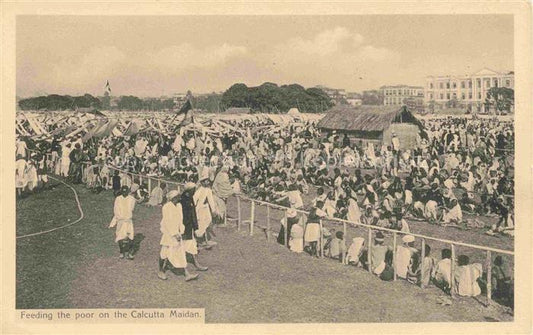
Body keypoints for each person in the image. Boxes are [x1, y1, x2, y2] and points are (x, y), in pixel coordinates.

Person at [158, 190, 199, 282]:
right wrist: (174, 233)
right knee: (164, 253)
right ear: (173, 198)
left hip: (178, 234)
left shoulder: (179, 206)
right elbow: (167, 222)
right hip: (169, 234)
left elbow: (180, 220)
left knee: (180, 253)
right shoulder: (166, 207)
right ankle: (161, 271)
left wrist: (181, 230)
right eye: (177, 197)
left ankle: (187, 274)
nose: (179, 199)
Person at [180, 182, 209, 271]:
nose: (195, 191)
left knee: (191, 247)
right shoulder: (182, 200)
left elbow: (193, 214)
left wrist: (195, 227)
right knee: (178, 248)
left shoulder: (190, 198)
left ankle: (196, 265)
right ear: (189, 190)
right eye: (193, 190)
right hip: (183, 228)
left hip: (189, 228)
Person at [109, 185, 136, 260]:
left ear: (128, 191)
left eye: (126, 192)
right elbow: (116, 210)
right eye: (123, 192)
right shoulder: (118, 199)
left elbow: (131, 209)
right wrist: (119, 217)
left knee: (130, 237)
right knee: (119, 237)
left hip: (128, 221)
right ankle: (121, 252)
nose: (124, 193)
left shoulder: (132, 199)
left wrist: (126, 217)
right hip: (120, 220)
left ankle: (129, 253)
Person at [194, 170, 219, 247]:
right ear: (202, 182)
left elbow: (211, 200)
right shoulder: (199, 190)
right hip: (199, 209)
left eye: (208, 181)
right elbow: (194, 199)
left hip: (206, 208)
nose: (208, 182)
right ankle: (199, 240)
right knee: (201, 223)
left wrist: (213, 210)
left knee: (208, 221)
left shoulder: (208, 190)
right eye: (206, 181)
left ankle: (202, 239)